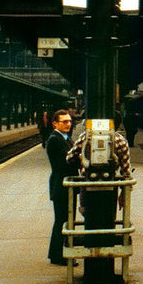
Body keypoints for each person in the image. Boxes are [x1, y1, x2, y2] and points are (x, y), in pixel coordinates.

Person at [46, 109, 77, 266]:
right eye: (64, 122)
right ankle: (59, 256)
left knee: (65, 219)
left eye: (70, 121)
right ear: (55, 123)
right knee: (62, 221)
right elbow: (64, 163)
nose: (68, 124)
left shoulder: (66, 138)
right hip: (61, 186)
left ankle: (56, 253)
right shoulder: (55, 140)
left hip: (66, 186)